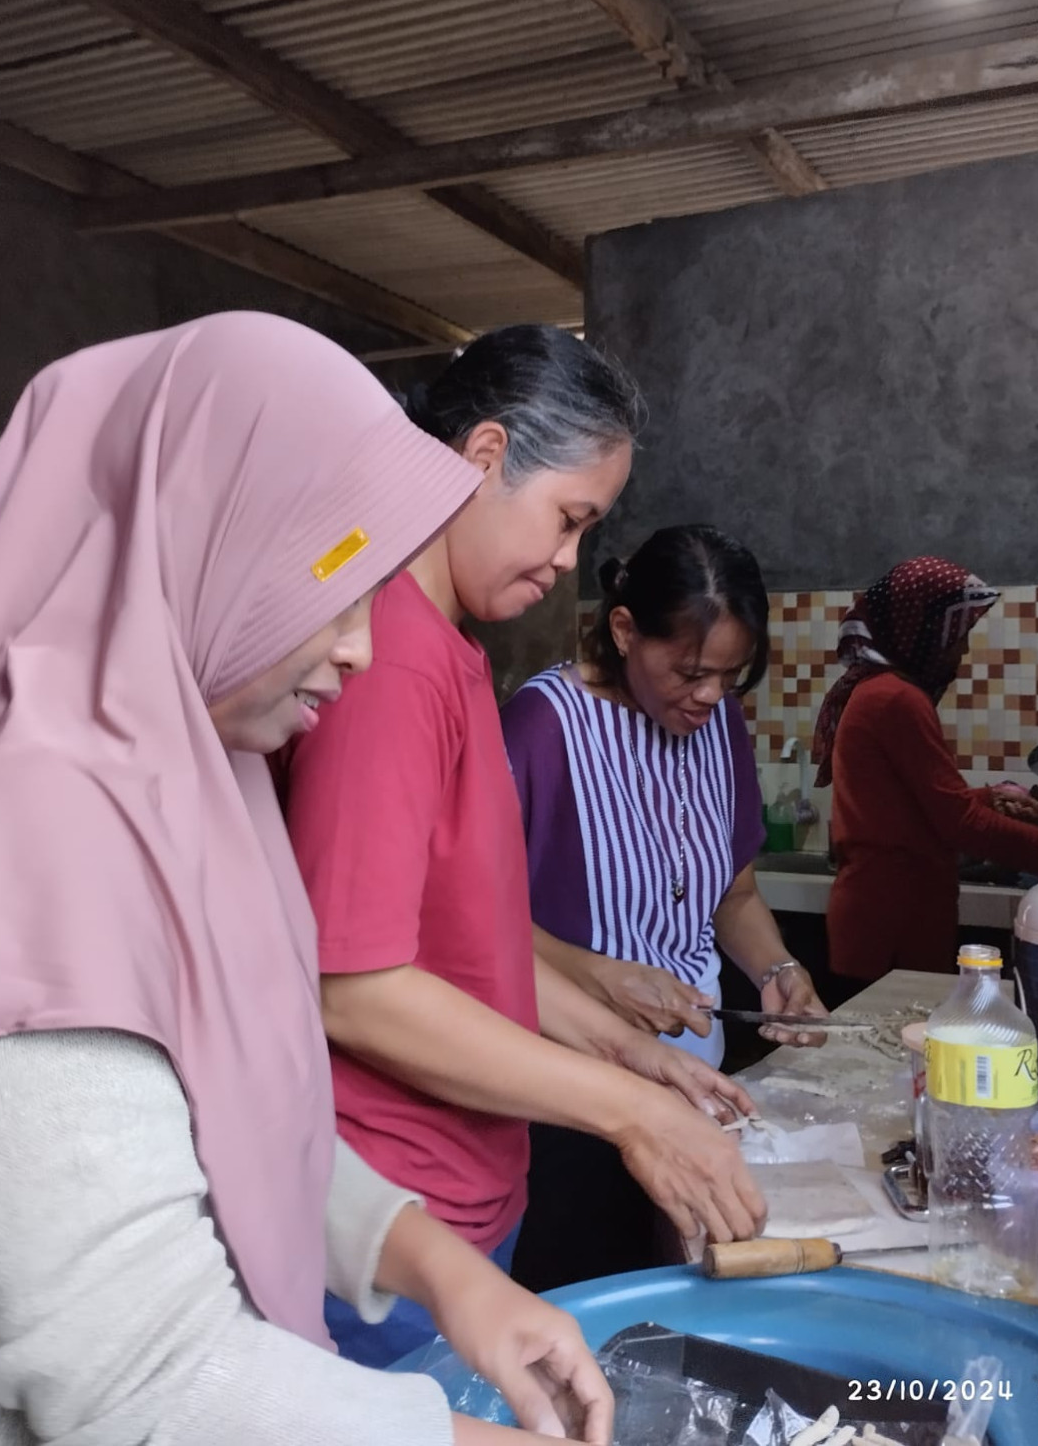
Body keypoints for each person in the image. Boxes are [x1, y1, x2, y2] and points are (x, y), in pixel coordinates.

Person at [0, 312, 612, 1446]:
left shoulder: (211, 779)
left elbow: (248, 1126)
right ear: (213, 535)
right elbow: (146, 1384)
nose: (359, 648)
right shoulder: (36, 839)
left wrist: (446, 1273)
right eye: (335, 582)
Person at [283, 329, 767, 1365]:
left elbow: (476, 949)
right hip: (392, 1222)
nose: (567, 561)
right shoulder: (394, 656)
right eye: (568, 519)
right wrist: (627, 1109)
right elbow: (354, 986)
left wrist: (630, 1050)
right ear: (484, 455)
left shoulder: (449, 650)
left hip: (464, 1197)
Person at [500, 525, 828, 1289]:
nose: (710, 694)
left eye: (729, 675)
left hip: (695, 1095)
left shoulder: (719, 727)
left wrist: (776, 966)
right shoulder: (543, 728)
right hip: (571, 1109)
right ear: (623, 631)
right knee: (593, 1301)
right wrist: (598, 974)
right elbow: (469, 920)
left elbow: (734, 893)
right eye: (688, 670)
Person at [811, 556, 1038, 997]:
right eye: (956, 636)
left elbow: (921, 803)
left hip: (884, 922)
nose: (961, 651)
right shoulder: (896, 699)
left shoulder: (879, 691)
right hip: (891, 927)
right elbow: (958, 821)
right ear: (922, 631)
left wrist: (993, 795)